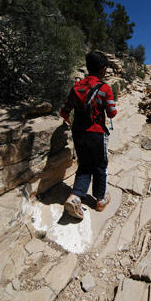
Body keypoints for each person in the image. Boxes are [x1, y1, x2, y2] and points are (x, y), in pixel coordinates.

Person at [61, 51, 117, 219]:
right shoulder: (105, 88)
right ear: (103, 70)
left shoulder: (76, 87)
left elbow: (65, 111)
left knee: (84, 166)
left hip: (79, 133)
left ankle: (75, 197)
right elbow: (112, 113)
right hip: (97, 134)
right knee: (100, 166)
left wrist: (70, 123)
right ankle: (100, 199)